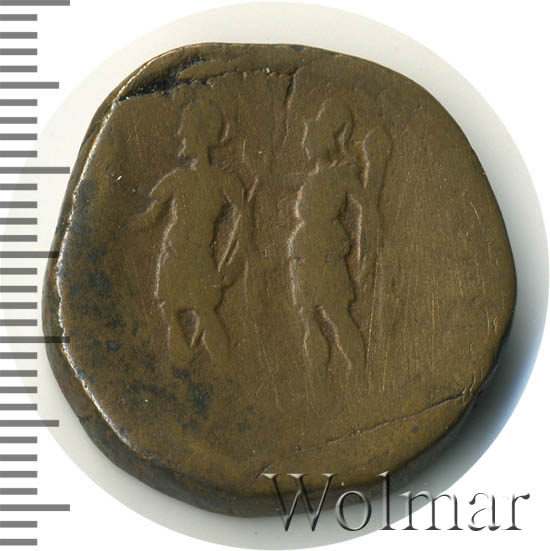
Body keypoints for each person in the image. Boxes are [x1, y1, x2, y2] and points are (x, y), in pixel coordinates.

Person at [135, 97, 244, 365]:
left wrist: (234, 262)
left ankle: (220, 367)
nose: (181, 134)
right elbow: (148, 218)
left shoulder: (214, 181)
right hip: (177, 255)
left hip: (194, 256)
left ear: (198, 134)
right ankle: (190, 363)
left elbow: (244, 220)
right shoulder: (187, 180)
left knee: (198, 312)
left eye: (185, 129)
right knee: (179, 310)